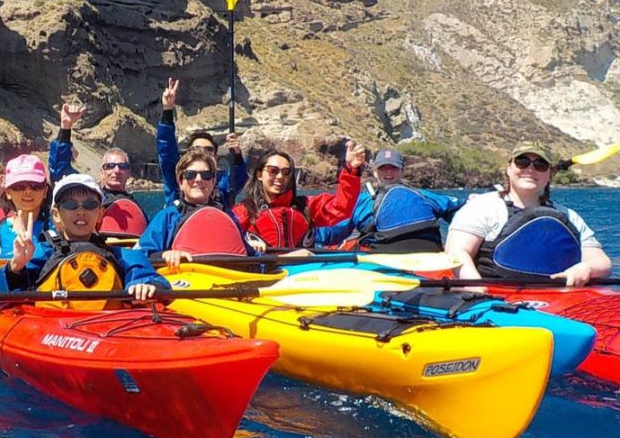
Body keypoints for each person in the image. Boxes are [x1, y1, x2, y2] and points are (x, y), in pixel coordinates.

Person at [445, 142, 611, 287]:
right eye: (522, 162)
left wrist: (586, 268)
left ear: (549, 175)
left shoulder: (568, 216)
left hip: (559, 297)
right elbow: (457, 252)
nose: (530, 169)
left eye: (540, 165)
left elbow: (601, 261)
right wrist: (476, 289)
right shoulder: (482, 207)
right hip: (495, 298)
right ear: (509, 169)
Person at [0, 173, 166, 303]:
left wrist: (145, 286)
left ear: (100, 213)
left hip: (107, 331)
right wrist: (15, 266)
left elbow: (153, 280)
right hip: (53, 330)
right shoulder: (43, 253)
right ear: (56, 215)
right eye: (70, 205)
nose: (81, 211)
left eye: (90, 205)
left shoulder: (121, 256)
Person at [313, 148, 463, 252]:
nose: (388, 173)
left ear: (402, 171)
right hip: (380, 257)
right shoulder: (361, 201)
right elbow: (335, 232)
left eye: (393, 168)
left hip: (424, 257)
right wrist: (308, 235)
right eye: (383, 168)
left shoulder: (424, 196)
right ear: (374, 171)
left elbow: (459, 210)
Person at [139, 149, 261, 271]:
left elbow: (251, 256)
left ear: (213, 182)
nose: (198, 179)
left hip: (230, 281)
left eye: (206, 175)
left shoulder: (226, 216)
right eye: (190, 174)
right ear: (180, 182)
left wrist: (260, 251)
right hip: (184, 281)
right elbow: (143, 253)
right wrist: (163, 255)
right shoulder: (167, 217)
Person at [235, 143, 366, 250]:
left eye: (286, 172)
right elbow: (227, 238)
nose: (280, 176)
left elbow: (341, 206)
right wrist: (247, 245)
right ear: (259, 175)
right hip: (263, 272)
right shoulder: (244, 211)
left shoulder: (306, 207)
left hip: (300, 273)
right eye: (273, 171)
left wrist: (351, 170)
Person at [49, 103, 148, 236]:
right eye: (110, 166)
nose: (117, 171)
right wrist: (66, 128)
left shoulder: (136, 206)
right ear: (102, 172)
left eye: (122, 166)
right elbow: (59, 171)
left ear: (128, 172)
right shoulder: (89, 195)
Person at [158, 77, 247, 207]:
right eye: (196, 149)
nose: (202, 153)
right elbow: (166, 150)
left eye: (208, 150)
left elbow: (237, 177)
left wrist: (237, 156)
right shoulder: (176, 180)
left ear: (216, 157)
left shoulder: (222, 188)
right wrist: (167, 110)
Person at [0, 154, 54, 278]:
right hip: (10, 294)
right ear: (8, 192)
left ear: (45, 191)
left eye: (35, 186)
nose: (27, 191)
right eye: (19, 186)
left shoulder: (59, 226)